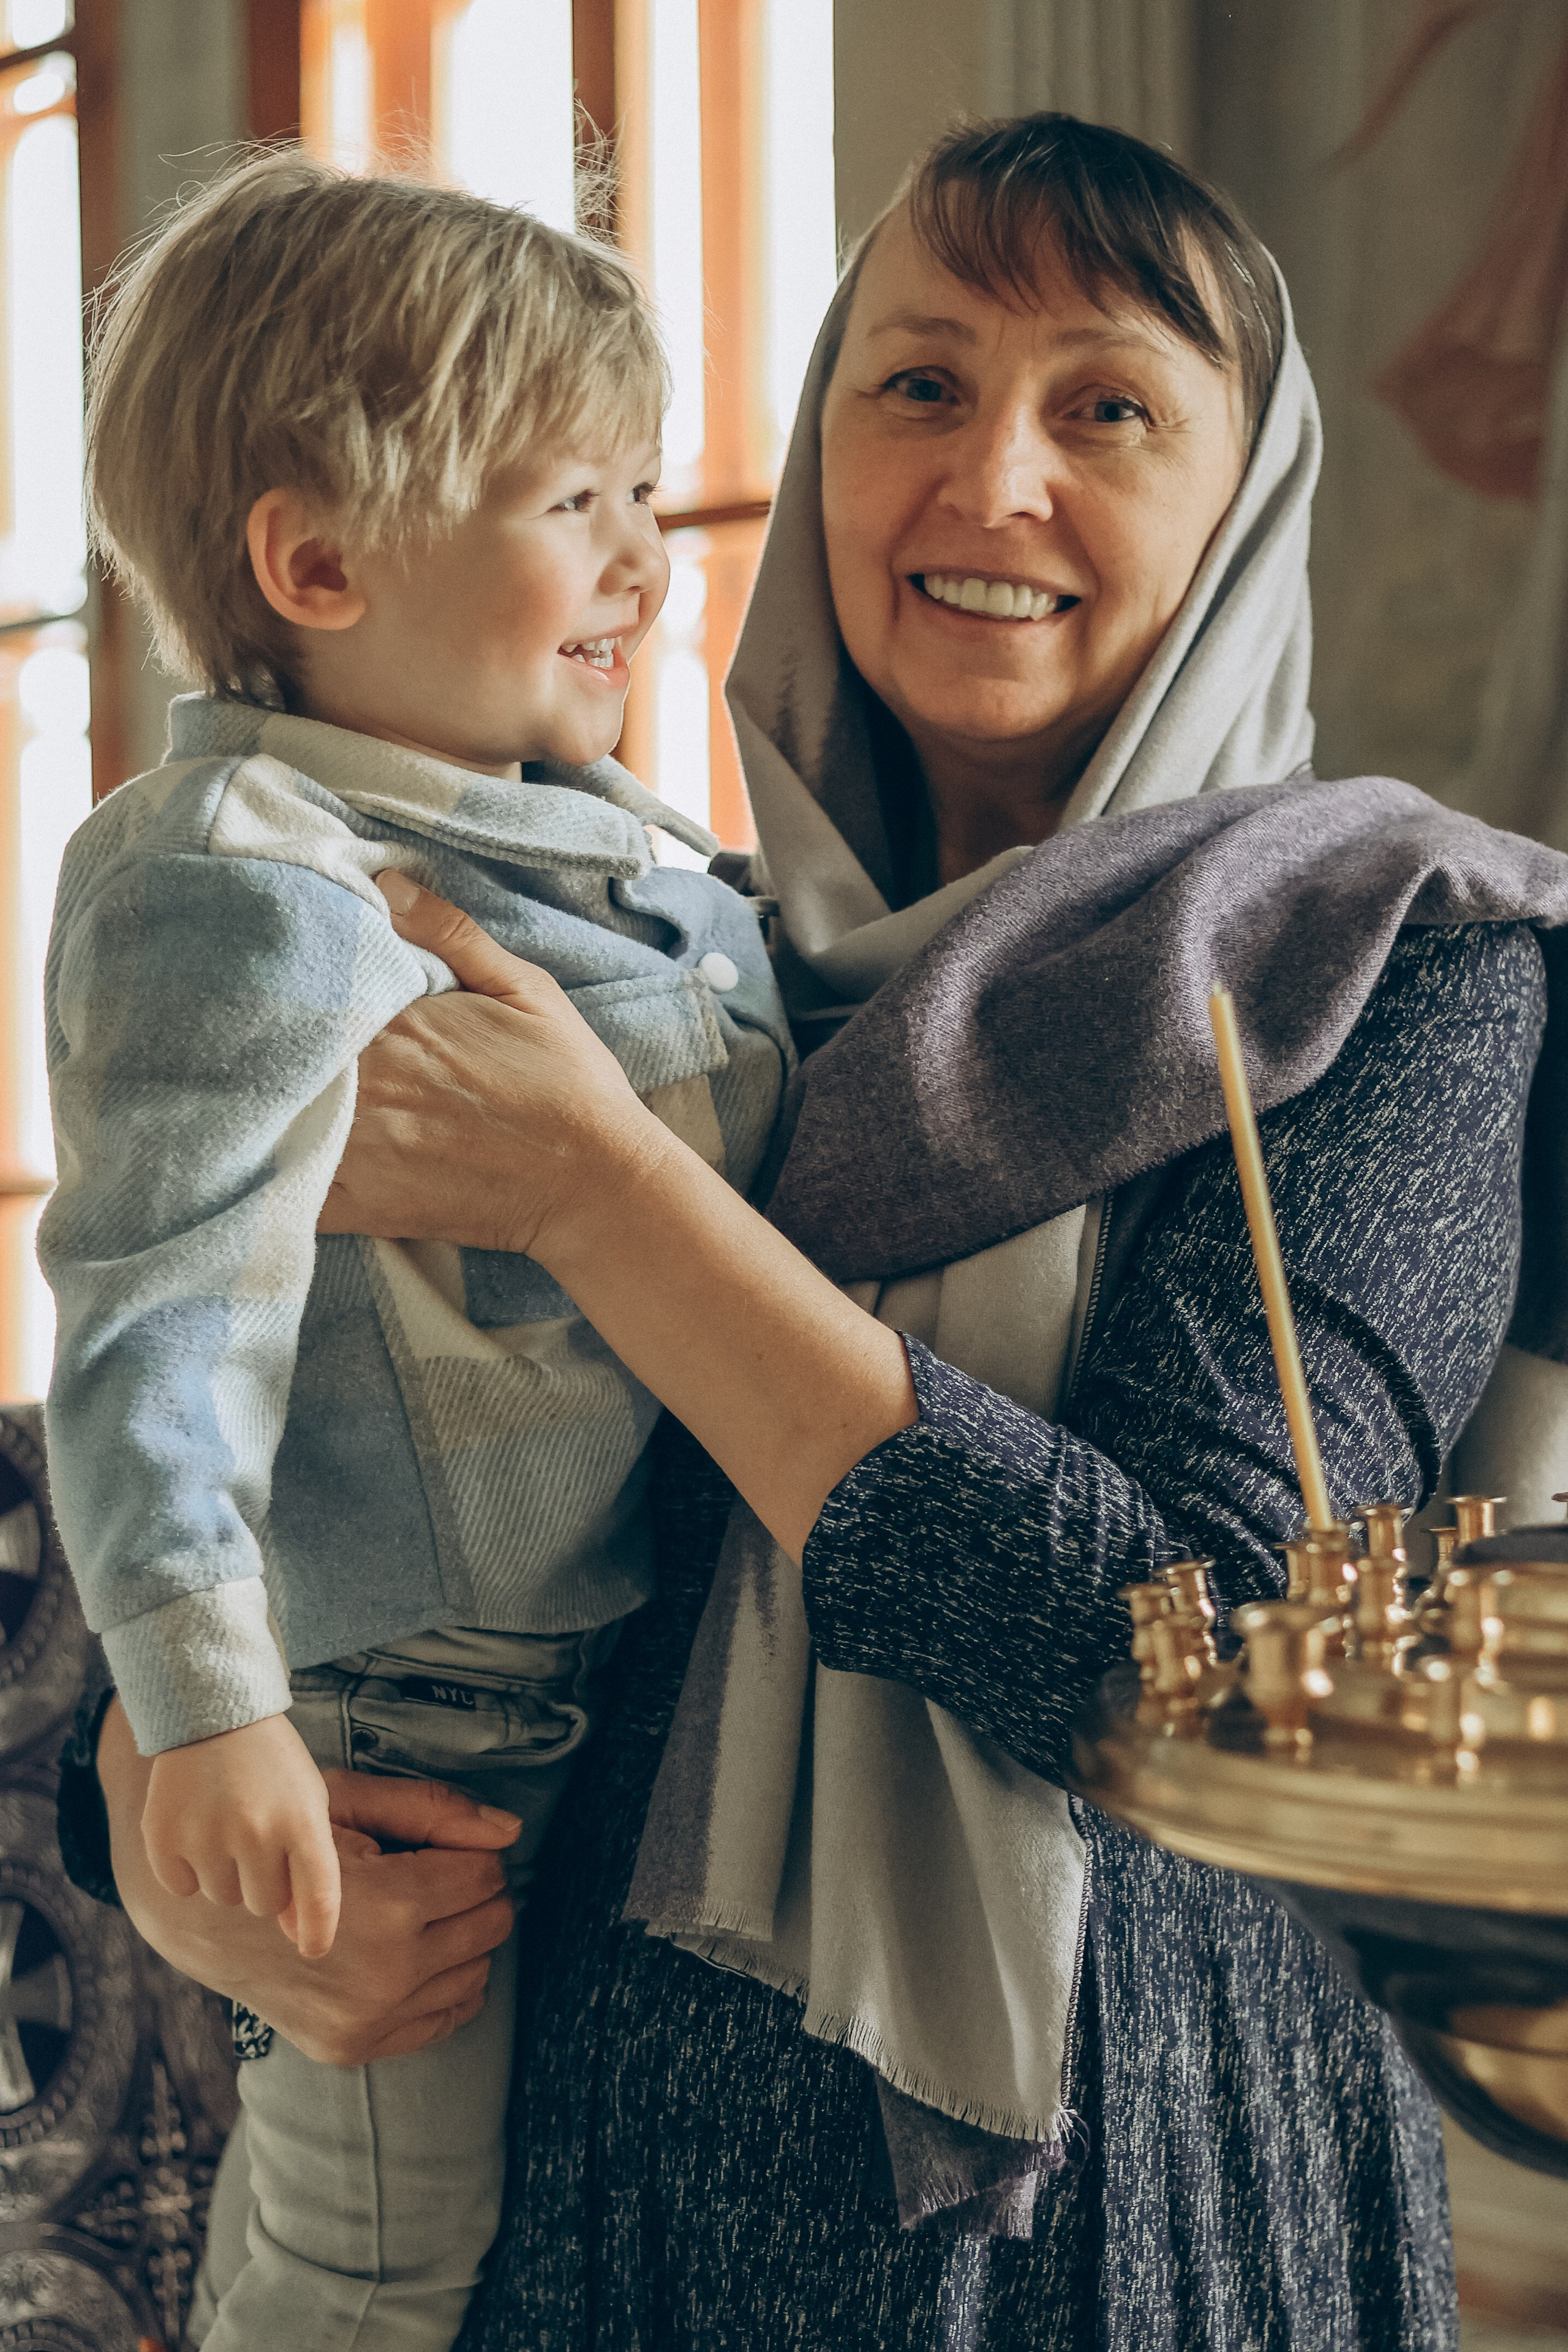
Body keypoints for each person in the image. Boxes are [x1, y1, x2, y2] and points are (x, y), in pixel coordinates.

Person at [67, 114, 1568, 2348]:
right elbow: (319, 1450)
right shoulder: (677, 978)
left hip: (1124, 2228)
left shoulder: (1392, 958)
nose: (993, 485)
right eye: (920, 385)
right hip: (593, 2205)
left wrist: (610, 1194)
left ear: (1246, 503)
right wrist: (198, 1854)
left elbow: (1211, 1666)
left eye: (1112, 407)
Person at [39, 152, 789, 2350]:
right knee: (375, 2265)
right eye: (583, 505)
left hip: (590, 1686)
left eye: (650, 497)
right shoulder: (251, 873)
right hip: (393, 1731)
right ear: (315, 560)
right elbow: (156, 1318)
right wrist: (200, 1712)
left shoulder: (596, 837)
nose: (648, 562)